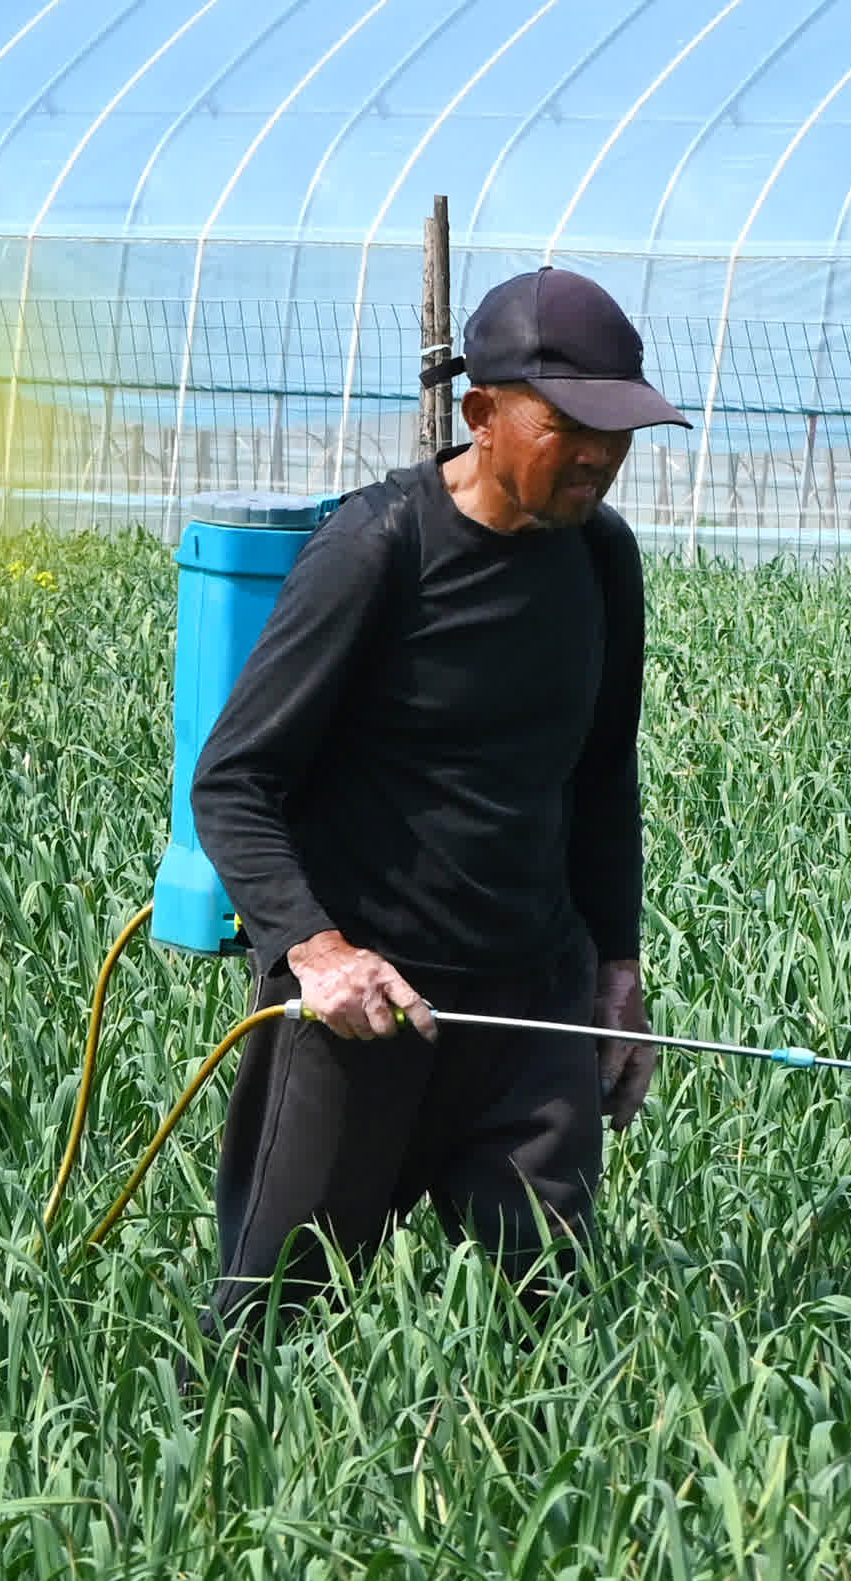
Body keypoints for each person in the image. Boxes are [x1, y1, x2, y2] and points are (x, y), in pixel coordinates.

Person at [185, 264, 681, 1334]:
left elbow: (600, 777)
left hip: (528, 1007)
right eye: (570, 425)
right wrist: (315, 951)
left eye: (621, 431)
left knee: (546, 1323)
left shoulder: (602, 560)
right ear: (482, 414)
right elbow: (234, 780)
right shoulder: (377, 550)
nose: (600, 454)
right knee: (271, 1324)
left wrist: (615, 973)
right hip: (369, 1004)